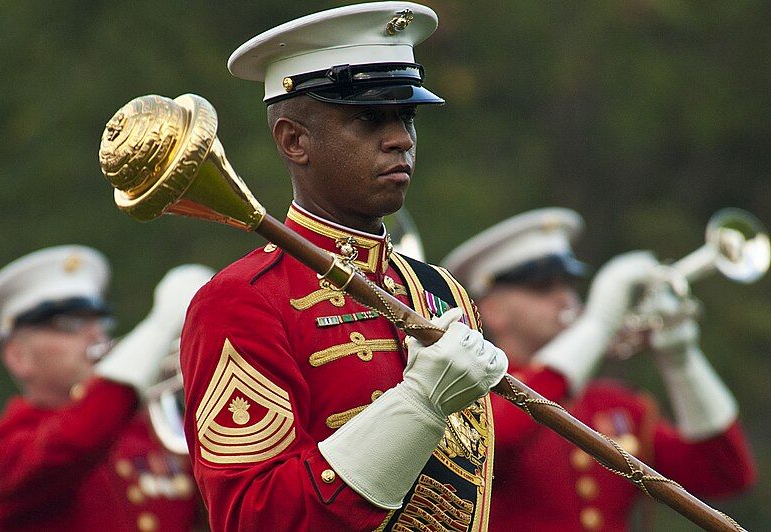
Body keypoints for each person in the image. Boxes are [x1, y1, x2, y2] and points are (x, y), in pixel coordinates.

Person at [180, 3, 509, 530]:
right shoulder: (242, 300)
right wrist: (418, 406)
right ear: (294, 140)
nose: (400, 137)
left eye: (406, 116)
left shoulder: (441, 291)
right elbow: (255, 517)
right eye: (367, 118)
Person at [442, 208, 757, 531]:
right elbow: (499, 438)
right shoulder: (470, 394)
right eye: (542, 287)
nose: (565, 298)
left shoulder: (614, 406)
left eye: (569, 283)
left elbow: (726, 472)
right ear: (493, 310)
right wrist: (598, 325)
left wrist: (681, 359)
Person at [0, 245, 214, 531]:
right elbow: (77, 438)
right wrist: (159, 328)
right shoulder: (5, 450)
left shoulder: (149, 432)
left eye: (99, 320)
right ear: (18, 356)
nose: (95, 334)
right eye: (69, 324)